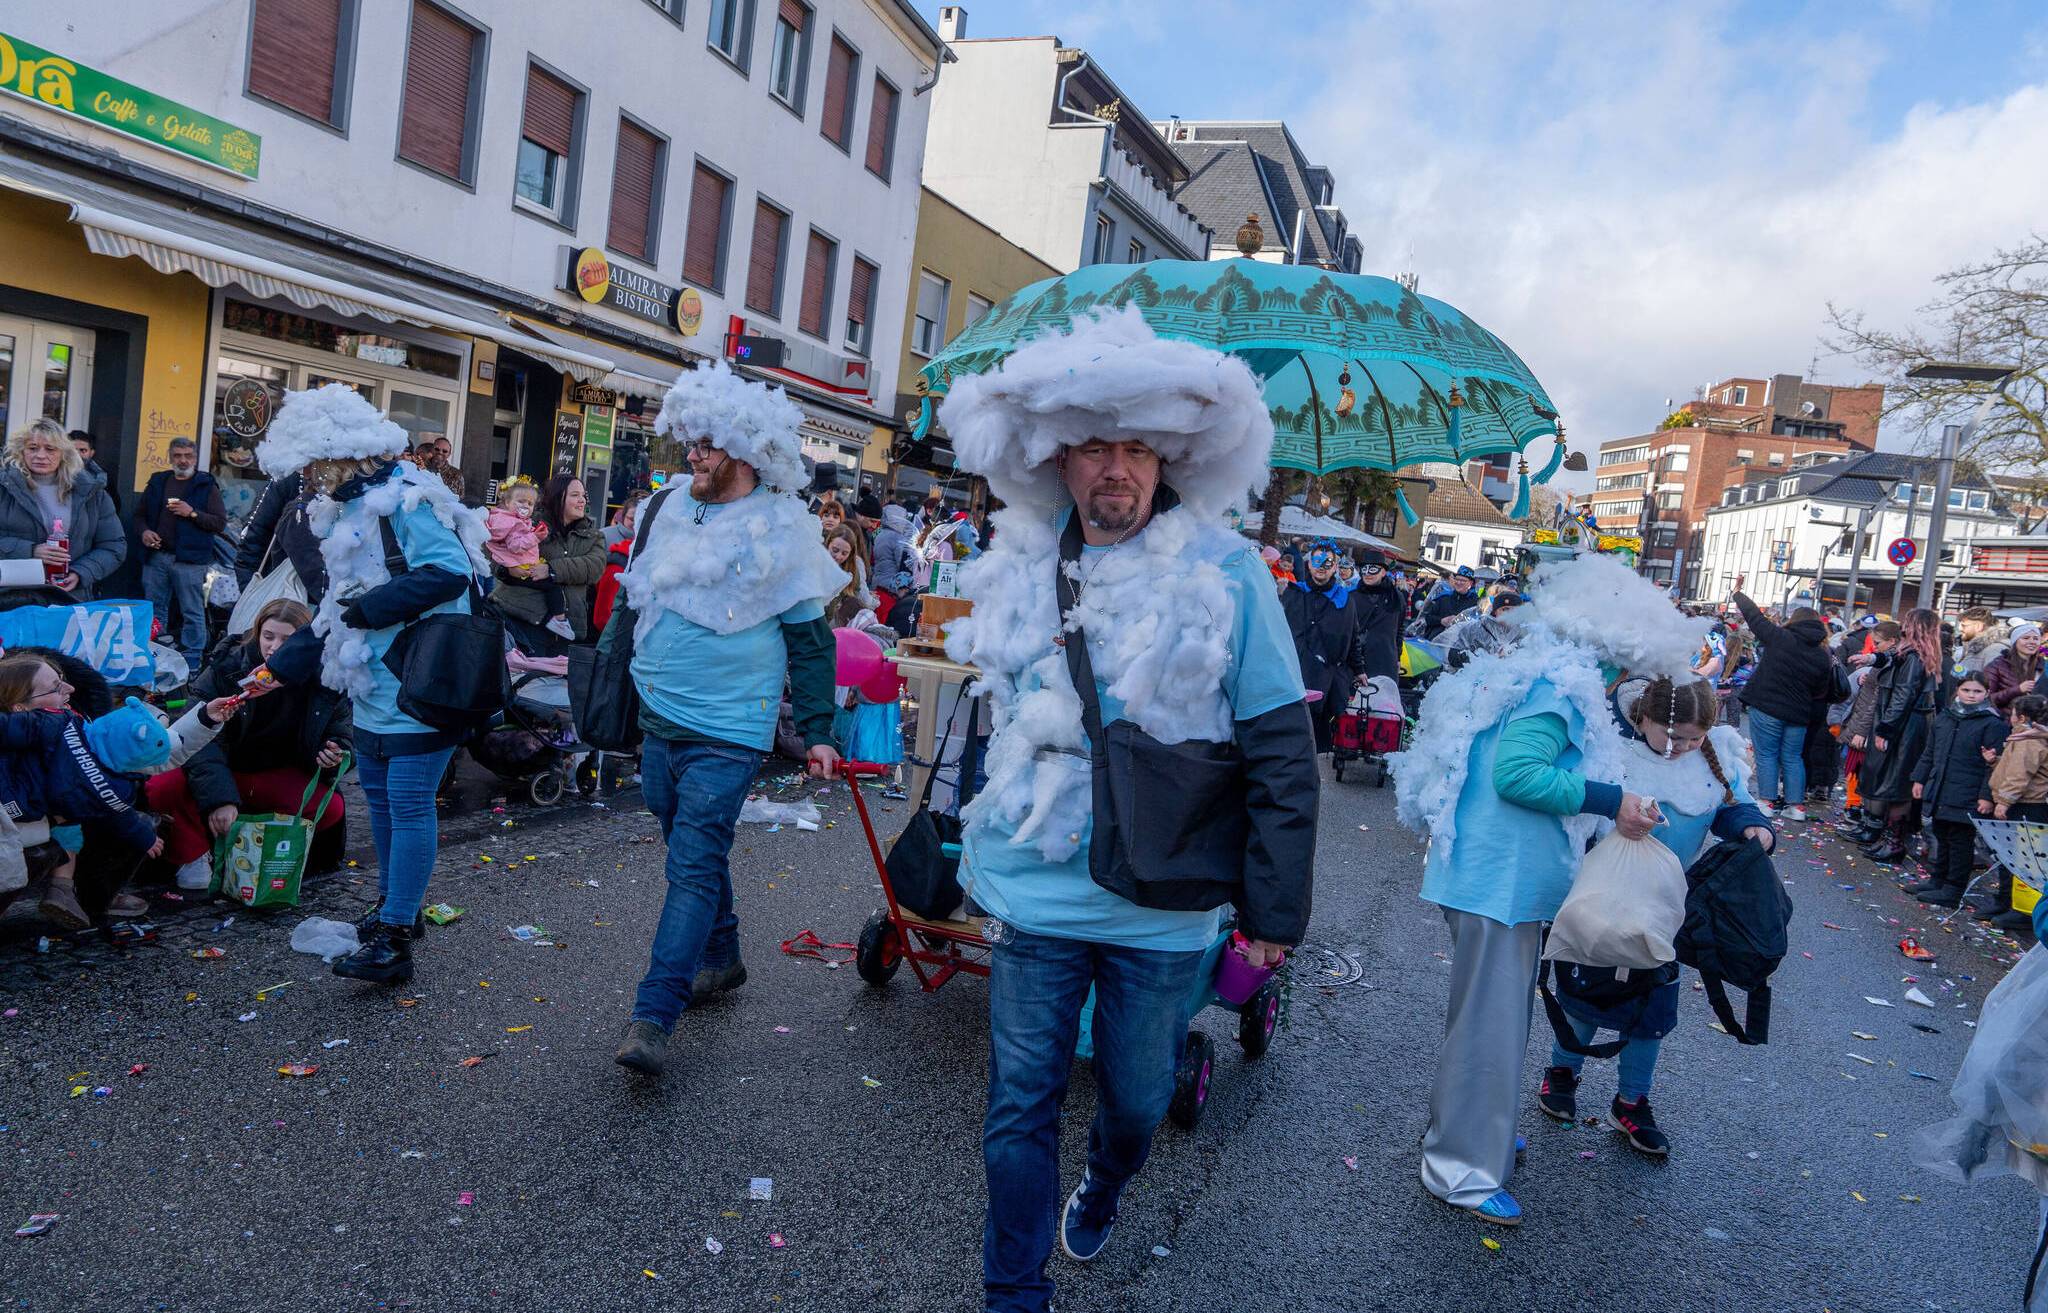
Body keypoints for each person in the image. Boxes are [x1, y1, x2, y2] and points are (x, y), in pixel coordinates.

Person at [936, 311, 1316, 1312]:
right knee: (1017, 1101)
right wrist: (974, 840)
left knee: (1137, 1100)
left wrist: (1273, 913)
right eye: (1093, 445)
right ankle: (1011, 1289)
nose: (1114, 467)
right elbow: (998, 718)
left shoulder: (1229, 571)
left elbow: (1281, 751)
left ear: (1169, 459)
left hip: (1166, 892)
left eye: (1135, 445)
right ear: (1058, 461)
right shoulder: (1018, 561)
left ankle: (1105, 1178)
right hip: (1040, 893)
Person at [1396, 550, 1693, 1226]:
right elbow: (1517, 775)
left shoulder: (1541, 674)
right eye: (1623, 666)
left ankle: (1473, 1136)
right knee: (1489, 1029)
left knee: (1485, 1023)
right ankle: (1461, 1170)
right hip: (1497, 882)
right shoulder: (1558, 688)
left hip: (1491, 878)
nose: (1624, 679)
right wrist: (1612, 798)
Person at [608, 361, 843, 1078]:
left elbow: (810, 642)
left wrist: (821, 729)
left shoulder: (783, 529)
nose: (694, 453)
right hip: (659, 720)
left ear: (744, 447)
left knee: (692, 862)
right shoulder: (668, 504)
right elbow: (638, 598)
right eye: (690, 439)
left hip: (729, 733)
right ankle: (724, 954)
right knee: (688, 843)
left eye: (707, 442)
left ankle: (655, 1012)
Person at [254, 384, 489, 985]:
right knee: (381, 800)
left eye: (312, 465)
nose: (307, 478)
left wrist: (368, 610)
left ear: (340, 453)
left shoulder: (410, 499)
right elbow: (335, 604)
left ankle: (393, 934)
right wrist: (269, 673)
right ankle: (395, 909)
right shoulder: (343, 510)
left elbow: (449, 572)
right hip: (373, 683)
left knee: (409, 803)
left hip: (422, 681)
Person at [1538, 674, 1774, 1156]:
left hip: (1665, 909)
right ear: (1641, 717)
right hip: (1600, 899)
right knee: (1584, 996)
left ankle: (1631, 1101)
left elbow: (1731, 809)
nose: (1681, 747)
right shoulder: (1614, 755)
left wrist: (1756, 831)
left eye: (1694, 738)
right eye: (1671, 735)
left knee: (1652, 1010)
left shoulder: (1714, 761)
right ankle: (1563, 1070)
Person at [0, 655, 239, 926]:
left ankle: (87, 898)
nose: (70, 690)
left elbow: (156, 751)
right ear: (19, 707)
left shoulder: (70, 723)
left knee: (131, 823)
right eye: (56, 687)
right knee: (73, 830)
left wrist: (204, 718)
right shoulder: (47, 726)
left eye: (63, 681)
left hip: (59, 817)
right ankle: (61, 889)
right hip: (23, 827)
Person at [144, 599, 350, 892]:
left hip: (276, 771)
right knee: (162, 785)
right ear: (257, 633)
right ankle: (193, 852)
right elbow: (198, 740)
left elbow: (343, 734)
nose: (274, 647)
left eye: (287, 640)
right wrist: (219, 798)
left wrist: (337, 755)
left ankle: (267, 849)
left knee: (330, 807)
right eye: (268, 636)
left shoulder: (326, 677)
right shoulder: (227, 667)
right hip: (224, 766)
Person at [1906, 671, 2008, 907]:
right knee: (1941, 833)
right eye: (1966, 690)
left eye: (1977, 691)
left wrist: (1986, 796)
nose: (1971, 696)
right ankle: (1937, 880)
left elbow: (1994, 766)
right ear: (1958, 691)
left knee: (1960, 841)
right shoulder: (1946, 717)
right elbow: (1930, 752)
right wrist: (1919, 779)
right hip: (1942, 786)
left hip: (1969, 790)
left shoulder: (1992, 724)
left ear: (1986, 694)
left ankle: (1953, 889)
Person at [1731, 591, 1834, 821]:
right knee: (1792, 756)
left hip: (1767, 706)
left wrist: (1738, 594)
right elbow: (1820, 690)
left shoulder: (1780, 638)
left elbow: (1754, 618)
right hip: (1799, 714)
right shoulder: (1822, 654)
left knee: (1766, 753)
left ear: (1794, 621)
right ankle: (1795, 806)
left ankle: (1767, 800)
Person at [0, 418, 125, 597]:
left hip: (69, 599)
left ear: (64, 453)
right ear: (21, 451)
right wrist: (31, 550)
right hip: (11, 600)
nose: (41, 455)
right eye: (32, 448)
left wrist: (81, 573)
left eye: (50, 449)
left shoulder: (92, 492)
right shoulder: (4, 488)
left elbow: (114, 546)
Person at [134, 435, 228, 667]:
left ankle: (192, 662)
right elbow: (139, 516)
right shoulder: (158, 481)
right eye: (178, 455)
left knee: (192, 611)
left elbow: (219, 522)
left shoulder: (206, 484)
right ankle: (157, 656)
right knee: (155, 609)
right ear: (170, 457)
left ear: (195, 458)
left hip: (191, 560)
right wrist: (145, 532)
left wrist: (192, 513)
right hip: (158, 556)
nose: (183, 460)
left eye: (188, 456)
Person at [1859, 607, 1942, 866]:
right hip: (1911, 724)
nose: (1903, 626)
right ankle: (1889, 839)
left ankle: (1894, 843)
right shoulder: (1919, 655)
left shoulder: (1915, 658)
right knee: (1895, 784)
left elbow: (1903, 695)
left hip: (1906, 727)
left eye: (1908, 622)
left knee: (1896, 785)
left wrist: (1886, 729)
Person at [491, 474, 605, 645]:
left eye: (583, 495)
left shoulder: (592, 535)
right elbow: (496, 552)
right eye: (575, 495)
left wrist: (552, 569)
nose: (582, 500)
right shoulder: (530, 524)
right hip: (525, 617)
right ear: (557, 497)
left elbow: (595, 567)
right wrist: (507, 569)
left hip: (570, 626)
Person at [1282, 537, 1365, 752]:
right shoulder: (1292, 593)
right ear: (1309, 564)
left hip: (1326, 679)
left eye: (1328, 563)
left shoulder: (1345, 600)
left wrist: (1359, 670)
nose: (1321, 568)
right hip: (1293, 673)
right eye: (1317, 561)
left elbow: (1353, 637)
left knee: (1317, 742)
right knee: (1290, 734)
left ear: (1335, 567)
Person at [1837, 621, 1903, 839]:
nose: (1874, 647)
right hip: (1865, 722)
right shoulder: (1888, 659)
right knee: (1861, 774)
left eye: (1878, 643)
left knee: (1864, 774)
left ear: (1892, 641)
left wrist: (1862, 731)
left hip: (1868, 725)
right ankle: (1865, 821)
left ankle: (1867, 822)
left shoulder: (1894, 660)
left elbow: (1876, 702)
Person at [1350, 549, 1404, 681]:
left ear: (1383, 572)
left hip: (1386, 660)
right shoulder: (1352, 597)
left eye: (1373, 569)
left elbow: (1399, 628)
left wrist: (1397, 657)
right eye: (1365, 569)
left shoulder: (1396, 597)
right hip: (1357, 662)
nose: (1368, 574)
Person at [871, 501, 919, 635]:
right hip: (891, 587)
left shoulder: (880, 534)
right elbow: (902, 562)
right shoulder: (897, 538)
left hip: (878, 583)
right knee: (886, 625)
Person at [1986, 623, 2044, 711]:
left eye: (2036, 638)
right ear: (2015, 641)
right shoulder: (1997, 665)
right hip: (2005, 721)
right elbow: (1986, 699)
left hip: (2037, 721)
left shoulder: (2044, 665)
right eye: (2026, 638)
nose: (2032, 642)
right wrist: (2018, 690)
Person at [1953, 605, 2012, 679]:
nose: (1960, 629)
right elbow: (1961, 675)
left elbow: (1994, 684)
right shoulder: (1975, 647)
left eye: (1964, 625)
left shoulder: (1996, 650)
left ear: (1979, 626)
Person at [1419, 566, 1479, 637]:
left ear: (1471, 583)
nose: (1458, 582)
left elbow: (1476, 626)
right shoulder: (1444, 597)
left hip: (1459, 644)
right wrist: (1441, 621)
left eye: (1463, 580)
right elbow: (1428, 618)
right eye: (1457, 579)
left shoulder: (1476, 602)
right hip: (1436, 640)